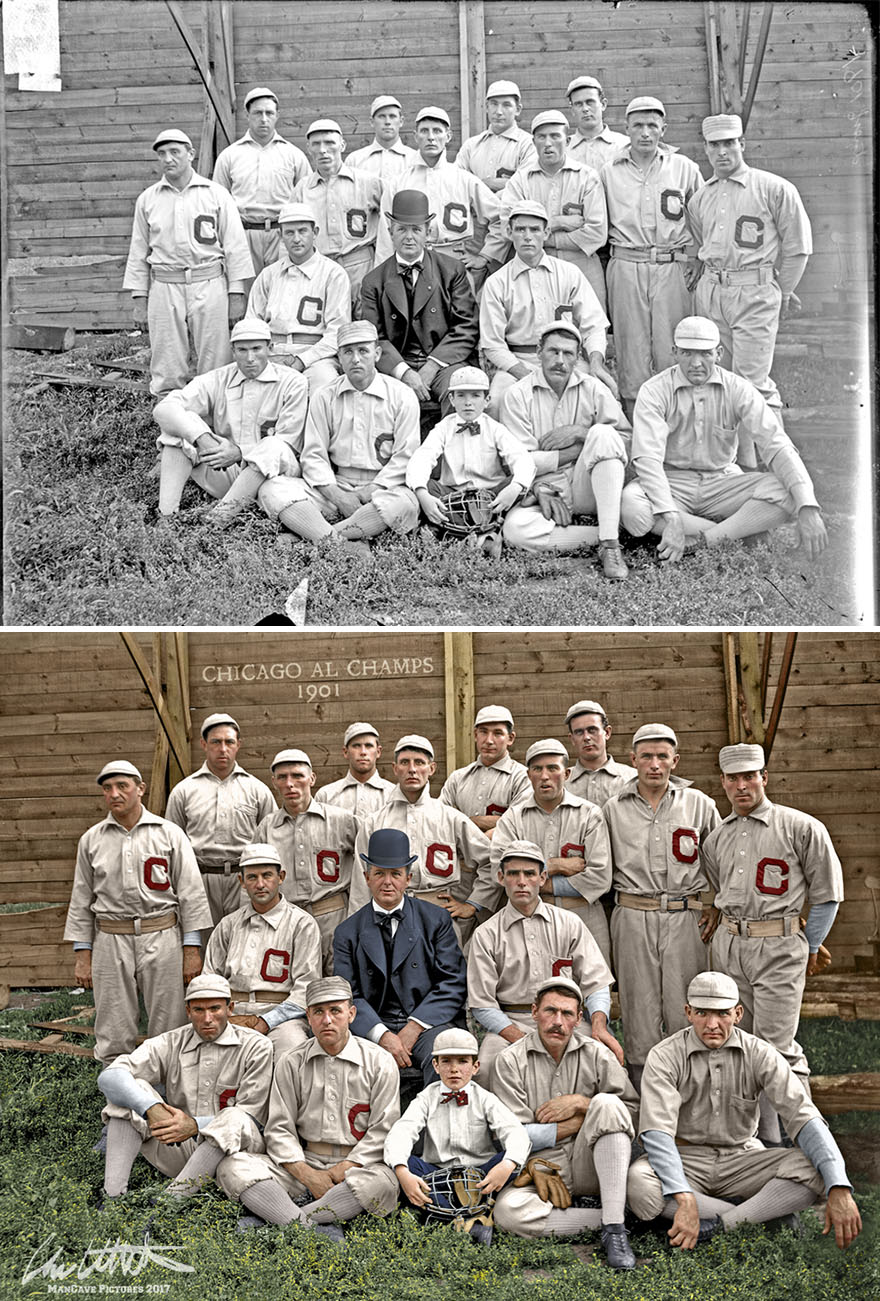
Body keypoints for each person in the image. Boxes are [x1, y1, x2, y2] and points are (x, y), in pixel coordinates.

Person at [627, 972, 862, 1251]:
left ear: (738, 1014)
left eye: (722, 1013)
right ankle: (761, 1216)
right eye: (702, 1012)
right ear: (688, 1012)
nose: (712, 1024)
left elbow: (803, 1115)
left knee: (816, 1167)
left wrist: (839, 1186)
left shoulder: (760, 1053)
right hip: (685, 1157)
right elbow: (658, 1133)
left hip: (742, 1159)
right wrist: (684, 1196)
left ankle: (721, 1224)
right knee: (639, 1183)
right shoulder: (664, 1055)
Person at [701, 743, 844, 1140]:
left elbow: (827, 895)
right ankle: (764, 1141)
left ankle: (807, 1142)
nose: (742, 786)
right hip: (730, 943)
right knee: (739, 1043)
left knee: (778, 1047)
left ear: (764, 777)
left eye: (750, 776)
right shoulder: (717, 837)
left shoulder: (800, 827)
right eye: (733, 778)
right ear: (723, 782)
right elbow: (719, 889)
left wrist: (810, 945)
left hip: (779, 943)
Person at [619, 316, 828, 563]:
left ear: (718, 353)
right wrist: (671, 515)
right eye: (687, 353)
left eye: (705, 354)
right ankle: (738, 533)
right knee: (632, 506)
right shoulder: (654, 390)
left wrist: (808, 507)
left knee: (788, 490)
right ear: (674, 352)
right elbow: (648, 459)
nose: (696, 363)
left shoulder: (738, 388)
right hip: (672, 481)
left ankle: (704, 540)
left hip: (722, 482)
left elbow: (776, 443)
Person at [216, 975, 401, 1236]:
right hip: (305, 1161)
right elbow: (279, 1129)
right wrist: (308, 1175)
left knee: (382, 1183)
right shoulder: (292, 1062)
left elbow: (384, 1130)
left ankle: (280, 1223)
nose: (327, 1020)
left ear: (351, 1014)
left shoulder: (380, 1061)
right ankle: (315, 1228)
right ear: (308, 1017)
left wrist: (343, 1169)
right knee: (233, 1166)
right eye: (318, 1012)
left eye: (335, 1011)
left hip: (358, 1167)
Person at [63, 760, 210, 1065]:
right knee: (113, 1020)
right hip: (111, 936)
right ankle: (116, 1084)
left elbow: (191, 893)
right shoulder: (92, 839)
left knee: (168, 1018)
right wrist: (82, 954)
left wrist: (191, 948)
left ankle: (167, 1082)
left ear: (140, 789)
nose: (114, 794)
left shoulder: (169, 834)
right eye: (107, 788)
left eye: (122, 786)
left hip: (162, 932)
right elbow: (81, 899)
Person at [489, 976, 640, 1270]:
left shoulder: (597, 1054)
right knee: (508, 1212)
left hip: (594, 1162)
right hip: (543, 1168)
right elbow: (512, 1135)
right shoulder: (510, 1060)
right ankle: (616, 1219)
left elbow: (630, 1112)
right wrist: (579, 1122)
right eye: (550, 1011)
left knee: (608, 1103)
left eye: (567, 1013)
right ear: (534, 1012)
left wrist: (582, 1103)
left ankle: (614, 1231)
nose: (558, 1021)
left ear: (579, 1018)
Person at [603, 723, 721, 1090]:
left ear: (675, 760)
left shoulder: (699, 804)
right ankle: (644, 1095)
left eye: (662, 757)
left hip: (686, 915)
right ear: (632, 759)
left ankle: (691, 1091)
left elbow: (721, 860)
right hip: (633, 913)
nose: (655, 764)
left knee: (686, 1002)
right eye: (647, 756)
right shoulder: (613, 808)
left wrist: (715, 903)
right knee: (639, 1008)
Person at [96, 973, 272, 1200]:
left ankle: (169, 1203)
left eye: (215, 1009)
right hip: (182, 1145)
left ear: (230, 1009)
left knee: (234, 1117)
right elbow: (110, 1076)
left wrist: (194, 1125)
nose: (207, 1018)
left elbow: (253, 1118)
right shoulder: (172, 1041)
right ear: (188, 1011)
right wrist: (150, 1108)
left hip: (237, 1155)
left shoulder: (257, 1046)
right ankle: (112, 1198)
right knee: (131, 1092)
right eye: (198, 1010)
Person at [688, 113, 813, 413]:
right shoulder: (700, 197)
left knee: (753, 384)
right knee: (718, 380)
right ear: (705, 148)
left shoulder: (774, 188)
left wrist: (783, 290)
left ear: (742, 144)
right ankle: (731, 446)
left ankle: (775, 445)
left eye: (729, 143)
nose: (722, 152)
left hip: (754, 293)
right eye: (714, 144)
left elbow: (798, 248)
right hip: (711, 292)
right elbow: (700, 243)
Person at [467, 840, 617, 1077]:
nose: (521, 881)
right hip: (514, 1020)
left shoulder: (569, 923)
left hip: (565, 1019)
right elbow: (483, 1004)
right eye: (513, 873)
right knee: (487, 1067)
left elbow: (597, 984)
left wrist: (599, 1026)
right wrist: (522, 1039)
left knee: (604, 1059)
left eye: (529, 873)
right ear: (501, 877)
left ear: (543, 878)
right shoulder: (486, 933)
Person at [123, 127, 253, 397]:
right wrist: (139, 299)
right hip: (165, 284)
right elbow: (138, 251)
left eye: (175, 152)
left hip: (209, 281)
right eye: (162, 154)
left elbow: (235, 246)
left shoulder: (216, 194)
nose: (168, 159)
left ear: (191, 154)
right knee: (167, 359)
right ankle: (170, 413)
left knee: (216, 357)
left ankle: (215, 410)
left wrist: (236, 294)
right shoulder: (148, 199)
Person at [333, 829, 468, 1085]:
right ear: (367, 878)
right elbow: (348, 994)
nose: (387, 882)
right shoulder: (347, 931)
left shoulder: (436, 920)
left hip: (427, 1023)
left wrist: (415, 1027)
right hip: (372, 1026)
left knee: (445, 1056)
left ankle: (438, 1112)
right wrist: (381, 1035)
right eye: (379, 874)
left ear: (408, 878)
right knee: (348, 1060)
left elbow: (453, 982)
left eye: (395, 874)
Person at [465, 739, 614, 969]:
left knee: (592, 983)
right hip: (527, 918)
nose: (545, 776)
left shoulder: (589, 814)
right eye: (537, 769)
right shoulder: (513, 818)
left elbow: (600, 878)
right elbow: (499, 871)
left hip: (584, 914)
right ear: (528, 775)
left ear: (567, 773)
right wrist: (554, 866)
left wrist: (530, 881)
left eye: (552, 768)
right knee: (532, 985)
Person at [499, 320, 629, 577]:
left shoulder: (594, 388)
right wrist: (540, 486)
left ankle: (610, 547)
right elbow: (519, 461)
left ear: (577, 357)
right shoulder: (517, 395)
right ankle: (608, 534)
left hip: (589, 485)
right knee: (515, 531)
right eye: (553, 351)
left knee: (603, 433)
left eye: (568, 353)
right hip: (546, 489)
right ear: (539, 352)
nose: (560, 360)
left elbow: (625, 440)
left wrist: (581, 432)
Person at [600, 96, 703, 419]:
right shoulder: (609, 171)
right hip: (627, 263)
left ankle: (678, 422)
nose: (645, 133)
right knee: (631, 348)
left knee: (673, 345)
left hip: (672, 266)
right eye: (638, 126)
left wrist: (698, 257)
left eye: (652, 126)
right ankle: (636, 425)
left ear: (663, 129)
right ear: (626, 129)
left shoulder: (684, 168)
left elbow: (703, 218)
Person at [152, 318, 307, 525]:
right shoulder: (219, 378)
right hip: (227, 470)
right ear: (233, 351)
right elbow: (164, 408)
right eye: (242, 350)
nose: (250, 358)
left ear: (270, 348)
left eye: (257, 349)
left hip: (276, 478)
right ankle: (166, 518)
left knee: (273, 445)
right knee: (180, 429)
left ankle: (217, 520)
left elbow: (289, 444)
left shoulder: (293, 381)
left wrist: (239, 452)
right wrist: (202, 438)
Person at [384, 1027, 530, 1241]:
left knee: (512, 1159)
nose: (454, 1069)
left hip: (480, 1175)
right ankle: (468, 1220)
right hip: (438, 1175)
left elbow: (515, 1132)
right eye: (446, 1061)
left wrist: (507, 1165)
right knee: (406, 1164)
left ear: (475, 1066)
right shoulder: (426, 1098)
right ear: (435, 1065)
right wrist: (402, 1171)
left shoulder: (485, 1098)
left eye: (462, 1061)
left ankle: (446, 1217)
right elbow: (402, 1132)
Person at [479, 201, 614, 414]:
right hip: (519, 361)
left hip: (567, 359)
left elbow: (594, 326)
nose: (527, 236)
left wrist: (596, 363)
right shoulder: (497, 282)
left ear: (546, 233)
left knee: (600, 395)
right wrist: (526, 375)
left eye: (534, 229)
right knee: (496, 402)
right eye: (520, 229)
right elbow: (492, 344)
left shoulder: (569, 273)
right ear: (509, 232)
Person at [347, 735, 491, 928]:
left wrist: (473, 904)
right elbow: (361, 879)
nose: (412, 769)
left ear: (431, 768)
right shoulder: (376, 822)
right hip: (389, 917)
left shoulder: (451, 818)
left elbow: (491, 861)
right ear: (395, 768)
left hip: (440, 915)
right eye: (405, 762)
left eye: (419, 762)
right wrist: (361, 928)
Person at [360, 189, 479, 417]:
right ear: (390, 232)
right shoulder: (373, 281)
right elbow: (374, 337)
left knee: (459, 391)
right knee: (377, 396)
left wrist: (432, 366)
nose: (409, 237)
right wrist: (404, 372)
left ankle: (454, 440)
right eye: (401, 229)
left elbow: (466, 327)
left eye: (416, 230)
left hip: (444, 362)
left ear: (428, 232)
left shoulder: (452, 271)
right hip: (396, 364)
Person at [203, 843, 323, 1055]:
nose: (260, 884)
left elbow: (306, 988)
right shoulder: (228, 924)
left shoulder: (301, 924)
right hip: (232, 1014)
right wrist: (223, 1015)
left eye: (267, 875)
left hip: (283, 1018)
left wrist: (266, 1021)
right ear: (241, 881)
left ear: (281, 877)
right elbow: (209, 980)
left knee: (291, 1046)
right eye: (252, 877)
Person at [405, 365, 536, 554]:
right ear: (452, 399)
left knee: (520, 483)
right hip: (453, 495)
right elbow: (422, 458)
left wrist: (514, 487)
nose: (468, 403)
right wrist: (422, 493)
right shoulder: (444, 428)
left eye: (475, 396)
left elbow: (522, 458)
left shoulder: (495, 429)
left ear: (487, 400)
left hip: (491, 494)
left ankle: (466, 530)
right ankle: (475, 530)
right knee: (425, 486)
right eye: (461, 396)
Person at [163, 711, 276, 929]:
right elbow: (171, 844)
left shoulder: (257, 790)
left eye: (229, 742)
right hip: (200, 879)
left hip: (245, 880)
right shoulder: (184, 791)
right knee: (204, 941)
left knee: (246, 938)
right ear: (204, 744)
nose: (223, 749)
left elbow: (272, 840)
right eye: (216, 742)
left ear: (238, 745)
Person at [483, 110, 608, 307]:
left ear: (567, 140)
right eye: (542, 137)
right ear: (534, 142)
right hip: (533, 268)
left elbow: (596, 234)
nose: (548, 143)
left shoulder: (587, 177)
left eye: (555, 136)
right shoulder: (520, 180)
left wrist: (537, 235)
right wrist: (557, 222)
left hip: (582, 265)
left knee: (588, 323)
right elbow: (508, 228)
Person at [256, 748, 358, 973]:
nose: (290, 784)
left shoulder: (341, 820)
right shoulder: (267, 828)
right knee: (293, 983)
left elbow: (367, 864)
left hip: (334, 918)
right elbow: (253, 880)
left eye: (297, 776)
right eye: (282, 777)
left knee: (338, 983)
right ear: (274, 782)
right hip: (286, 921)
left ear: (312, 778)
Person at [375, 106, 499, 279]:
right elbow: (386, 232)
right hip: (412, 265)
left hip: (456, 263)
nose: (431, 137)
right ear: (415, 136)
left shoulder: (464, 179)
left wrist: (485, 256)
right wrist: (385, 277)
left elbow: (500, 218)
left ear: (448, 136)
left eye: (437, 131)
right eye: (424, 131)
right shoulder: (399, 183)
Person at [245, 202, 351, 392]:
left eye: (302, 231)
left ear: (315, 232)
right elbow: (251, 325)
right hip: (273, 354)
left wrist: (302, 360)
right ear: (280, 236)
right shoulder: (268, 275)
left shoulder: (333, 274)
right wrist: (265, 356)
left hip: (317, 356)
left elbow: (337, 332)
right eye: (289, 232)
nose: (296, 239)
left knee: (324, 383)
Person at [212, 86, 311, 278]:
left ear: (277, 116)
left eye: (269, 113)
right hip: (243, 234)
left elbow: (307, 197)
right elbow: (218, 202)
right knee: (246, 290)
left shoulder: (293, 155)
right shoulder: (230, 156)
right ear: (247, 116)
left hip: (283, 235)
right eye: (258, 113)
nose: (264, 119)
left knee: (284, 287)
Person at [293, 119, 384, 304]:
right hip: (319, 269)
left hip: (361, 266)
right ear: (308, 148)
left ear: (342, 145)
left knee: (365, 319)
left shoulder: (368, 182)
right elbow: (289, 233)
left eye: (329, 143)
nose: (323, 150)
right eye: (316, 144)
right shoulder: (302, 189)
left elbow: (392, 219)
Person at [438, 704, 531, 835]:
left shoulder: (523, 777)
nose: (489, 741)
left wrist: (469, 822)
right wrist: (487, 822)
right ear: (475, 735)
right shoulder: (457, 778)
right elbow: (439, 818)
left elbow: (522, 822)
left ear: (510, 738)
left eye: (497, 733)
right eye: (483, 732)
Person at [563, 699, 637, 807]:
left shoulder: (632, 779)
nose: (586, 737)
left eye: (592, 730)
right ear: (572, 739)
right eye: (579, 732)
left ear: (607, 732)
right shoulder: (561, 783)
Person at [315, 722, 395, 815]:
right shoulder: (325, 796)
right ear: (345, 752)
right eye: (356, 746)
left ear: (378, 752)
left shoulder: (394, 795)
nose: (363, 752)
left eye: (368, 746)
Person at [345, 94, 418, 180]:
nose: (387, 122)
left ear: (401, 121)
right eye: (382, 116)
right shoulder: (354, 161)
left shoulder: (415, 160)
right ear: (372, 122)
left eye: (392, 116)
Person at [564, 75, 628, 173]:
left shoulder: (624, 145)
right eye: (578, 104)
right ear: (572, 110)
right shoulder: (564, 150)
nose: (585, 109)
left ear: (603, 104)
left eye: (590, 102)